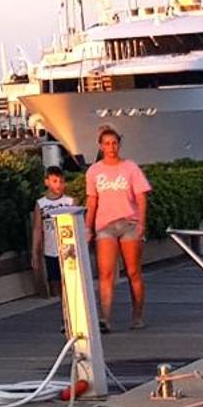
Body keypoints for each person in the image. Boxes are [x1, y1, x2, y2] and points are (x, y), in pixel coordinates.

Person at [86, 125, 151, 330]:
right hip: (105, 225)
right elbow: (92, 201)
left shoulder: (130, 168)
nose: (111, 147)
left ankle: (138, 315)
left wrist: (141, 223)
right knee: (105, 273)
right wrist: (88, 227)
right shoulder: (94, 171)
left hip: (129, 223)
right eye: (107, 144)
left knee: (133, 271)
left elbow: (141, 198)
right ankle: (105, 317)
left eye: (114, 143)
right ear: (101, 146)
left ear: (119, 145)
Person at [31, 166, 81, 296]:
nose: (58, 185)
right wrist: (35, 253)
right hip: (51, 249)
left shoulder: (70, 202)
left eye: (61, 181)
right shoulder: (41, 204)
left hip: (69, 248)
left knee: (71, 282)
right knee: (55, 281)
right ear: (47, 182)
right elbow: (37, 229)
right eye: (54, 181)